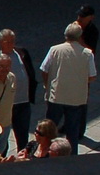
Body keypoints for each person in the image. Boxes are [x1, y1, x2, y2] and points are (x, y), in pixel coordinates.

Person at [40, 23, 96, 151]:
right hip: (76, 99)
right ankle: (71, 158)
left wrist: (47, 85)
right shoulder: (87, 54)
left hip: (56, 96)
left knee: (49, 130)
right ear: (80, 36)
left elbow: (44, 69)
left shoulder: (55, 50)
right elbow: (92, 76)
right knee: (73, 132)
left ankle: (45, 152)